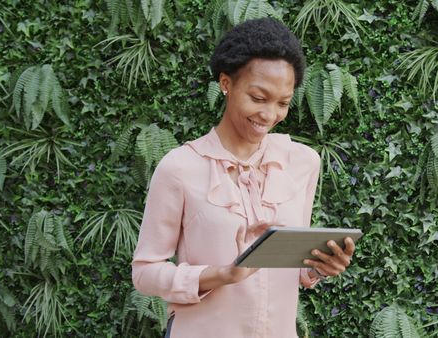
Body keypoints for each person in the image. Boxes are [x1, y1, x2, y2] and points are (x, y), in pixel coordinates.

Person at [131, 18, 356, 338]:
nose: (269, 115)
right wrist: (223, 274)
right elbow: (145, 272)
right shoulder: (179, 167)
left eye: (283, 103)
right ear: (226, 83)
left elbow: (292, 263)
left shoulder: (302, 162)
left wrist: (318, 267)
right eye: (258, 97)